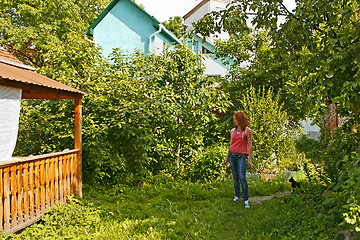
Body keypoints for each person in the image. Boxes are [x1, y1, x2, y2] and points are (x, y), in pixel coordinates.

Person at [224, 111, 255, 208]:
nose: (234, 120)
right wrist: (226, 158)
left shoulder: (247, 131)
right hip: (232, 155)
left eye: (235, 119)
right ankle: (237, 195)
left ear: (240, 120)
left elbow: (249, 145)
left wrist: (249, 159)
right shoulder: (232, 130)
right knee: (235, 177)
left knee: (242, 177)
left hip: (242, 156)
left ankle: (246, 200)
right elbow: (231, 144)